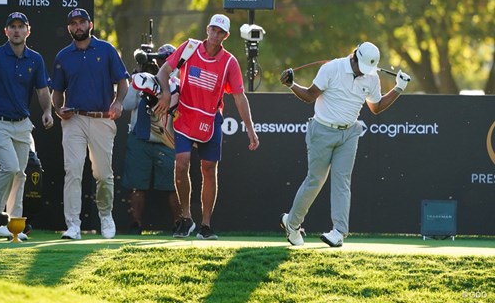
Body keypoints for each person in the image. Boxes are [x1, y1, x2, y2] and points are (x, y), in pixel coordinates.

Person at [278, 42, 411, 247]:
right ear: (354, 56)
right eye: (361, 67)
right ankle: (292, 224)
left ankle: (339, 232)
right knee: (315, 181)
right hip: (321, 130)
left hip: (349, 133)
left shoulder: (372, 77)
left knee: (342, 181)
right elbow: (309, 96)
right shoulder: (332, 68)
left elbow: (375, 107)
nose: (363, 72)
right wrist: (291, 85)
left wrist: (398, 89)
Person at [154, 13, 260, 240]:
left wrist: (250, 129)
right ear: (207, 29)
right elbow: (164, 71)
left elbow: (240, 97)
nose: (215, 35)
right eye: (213, 29)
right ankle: (186, 218)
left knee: (209, 169)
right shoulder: (189, 48)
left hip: (211, 119)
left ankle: (205, 225)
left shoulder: (230, 62)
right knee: (181, 164)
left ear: (226, 35)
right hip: (184, 115)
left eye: (220, 32)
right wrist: (164, 93)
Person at [0, 12, 53, 239]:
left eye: (20, 26)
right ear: (6, 31)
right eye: (12, 27)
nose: (16, 30)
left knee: (21, 174)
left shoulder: (35, 59)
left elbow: (43, 90)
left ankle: (14, 224)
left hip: (22, 124)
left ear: (28, 30)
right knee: (10, 168)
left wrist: (47, 111)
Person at [51, 8, 129, 240]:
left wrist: (118, 103)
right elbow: (57, 92)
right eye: (73, 23)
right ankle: (73, 225)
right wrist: (57, 110)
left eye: (81, 22)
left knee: (104, 175)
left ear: (90, 24)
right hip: (74, 119)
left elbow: (122, 83)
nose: (78, 27)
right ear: (69, 28)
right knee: (73, 171)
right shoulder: (63, 56)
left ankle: (105, 216)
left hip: (102, 119)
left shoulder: (106, 50)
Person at [122, 44, 180, 234]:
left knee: (173, 186)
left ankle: (179, 223)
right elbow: (128, 103)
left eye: (166, 59)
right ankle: (135, 225)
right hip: (140, 138)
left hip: (168, 139)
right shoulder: (142, 79)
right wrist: (139, 76)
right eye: (159, 59)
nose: (162, 63)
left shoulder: (179, 82)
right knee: (137, 185)